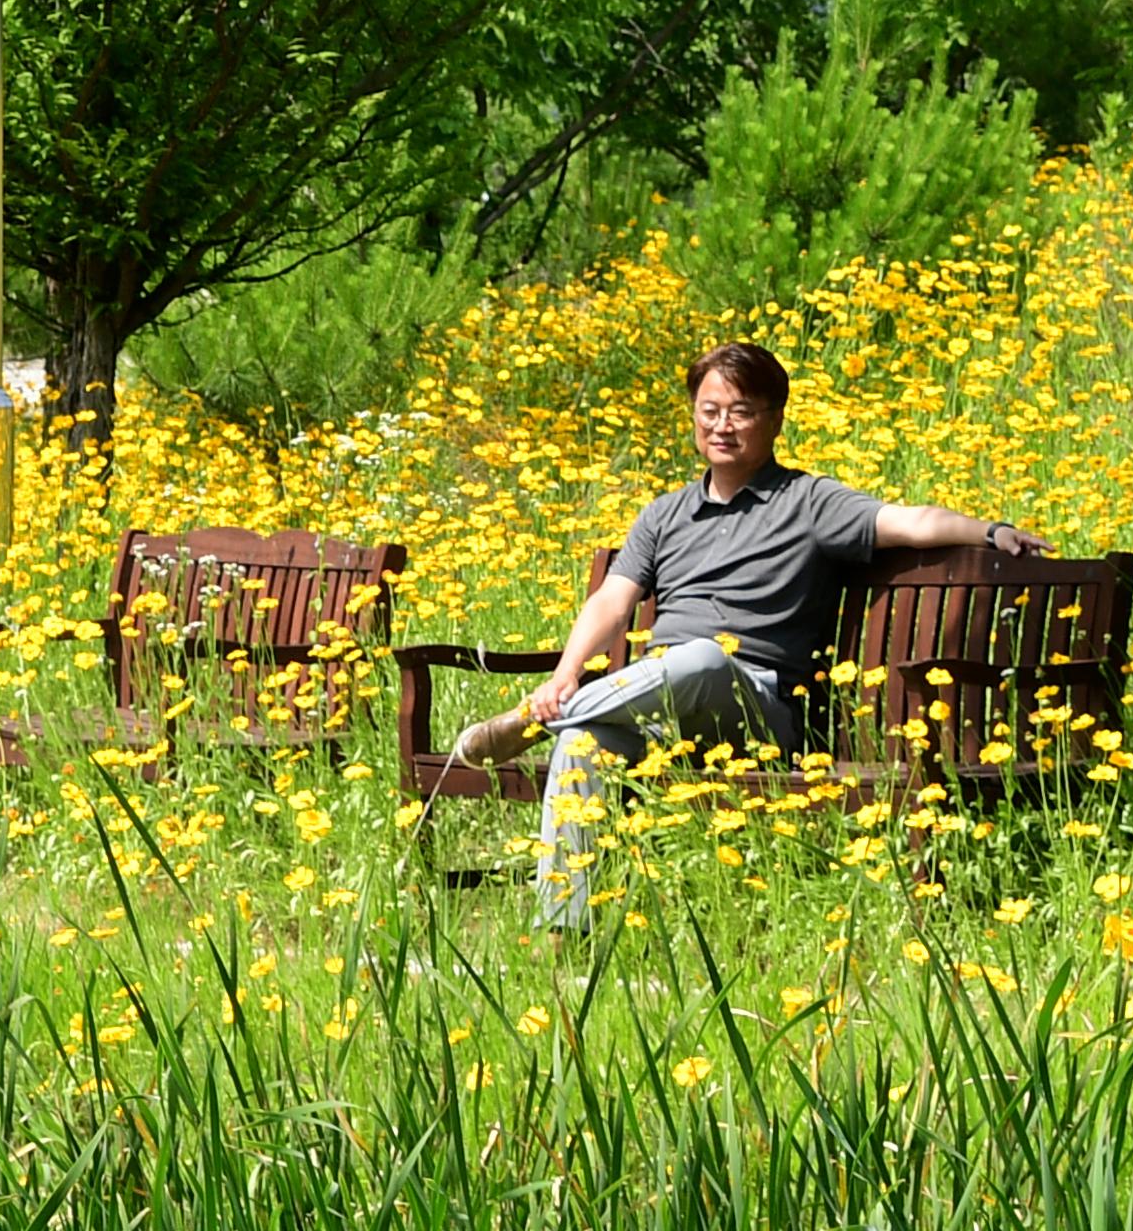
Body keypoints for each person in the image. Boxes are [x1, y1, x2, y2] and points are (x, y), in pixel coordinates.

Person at [450, 339, 1050, 928]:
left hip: (754, 706)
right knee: (584, 741)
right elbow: (613, 598)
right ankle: (563, 934)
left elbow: (911, 521)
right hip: (657, 703)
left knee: (705, 659)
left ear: (774, 420)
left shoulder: (809, 502)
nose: (722, 426)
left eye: (740, 412)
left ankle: (532, 720)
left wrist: (990, 531)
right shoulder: (664, 514)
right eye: (709, 412)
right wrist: (565, 672)